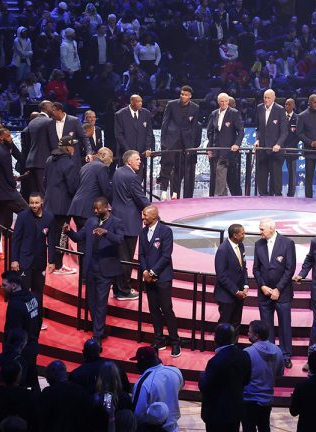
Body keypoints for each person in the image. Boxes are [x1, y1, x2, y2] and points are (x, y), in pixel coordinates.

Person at [63, 197, 125, 344]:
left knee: (101, 302)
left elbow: (119, 240)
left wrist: (105, 233)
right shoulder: (90, 221)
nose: (95, 211)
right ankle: (99, 329)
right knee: (91, 301)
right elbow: (78, 238)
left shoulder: (117, 222)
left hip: (106, 269)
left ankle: (97, 335)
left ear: (106, 207)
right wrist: (69, 231)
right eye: (94, 209)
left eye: (98, 208)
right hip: (91, 267)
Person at [252, 218, 296, 368]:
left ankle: (285, 356)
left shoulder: (287, 243)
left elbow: (290, 269)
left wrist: (278, 289)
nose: (260, 232)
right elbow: (256, 269)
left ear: (271, 229)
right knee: (266, 326)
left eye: (262, 229)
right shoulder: (258, 244)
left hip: (282, 294)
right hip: (264, 293)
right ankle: (269, 354)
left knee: (284, 326)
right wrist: (262, 286)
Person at [139, 205, 181, 356]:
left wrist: (152, 272)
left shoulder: (165, 231)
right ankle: (159, 339)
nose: (143, 218)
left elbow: (166, 255)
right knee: (154, 309)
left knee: (166, 309)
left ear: (154, 216)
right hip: (148, 278)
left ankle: (175, 341)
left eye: (145, 215)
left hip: (163, 277)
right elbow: (142, 254)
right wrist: (144, 271)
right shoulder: (143, 232)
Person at [10, 192, 56, 320]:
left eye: (36, 203)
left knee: (38, 292)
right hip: (24, 261)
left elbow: (51, 241)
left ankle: (37, 319)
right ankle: (22, 318)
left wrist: (51, 261)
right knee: (23, 292)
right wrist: (14, 259)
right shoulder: (22, 216)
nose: (34, 205)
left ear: (42, 202)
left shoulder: (49, 218)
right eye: (31, 203)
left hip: (40, 261)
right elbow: (16, 240)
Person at [113, 150, 151, 300]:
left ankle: (118, 288)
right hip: (129, 222)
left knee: (120, 256)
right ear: (129, 161)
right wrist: (152, 210)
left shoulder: (118, 172)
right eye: (137, 159)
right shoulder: (132, 177)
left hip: (117, 218)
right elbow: (140, 198)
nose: (140, 161)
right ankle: (124, 291)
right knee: (126, 258)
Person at [0, 128, 28, 260]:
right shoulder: (4, 152)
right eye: (9, 136)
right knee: (29, 212)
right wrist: (15, 183)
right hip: (5, 192)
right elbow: (8, 176)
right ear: (2, 138)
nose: (11, 138)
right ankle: (29, 246)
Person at [199, 323, 252, 432]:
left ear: (215, 339)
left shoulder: (215, 362)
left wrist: (202, 376)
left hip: (216, 415)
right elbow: (246, 380)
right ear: (234, 338)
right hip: (235, 411)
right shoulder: (244, 355)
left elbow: (205, 387)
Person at [1, 270, 42, 392]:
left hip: (21, 351)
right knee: (33, 378)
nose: (2, 287)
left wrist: (9, 351)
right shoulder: (33, 297)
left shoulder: (15, 305)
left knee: (21, 385)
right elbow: (39, 320)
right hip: (33, 344)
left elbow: (13, 331)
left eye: (4, 285)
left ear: (13, 285)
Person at [44, 136, 80, 275]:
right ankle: (58, 266)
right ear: (67, 148)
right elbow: (72, 188)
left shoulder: (49, 159)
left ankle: (52, 262)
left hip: (49, 204)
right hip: (63, 207)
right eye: (72, 146)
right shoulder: (70, 164)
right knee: (62, 236)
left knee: (51, 235)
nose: (74, 149)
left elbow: (45, 181)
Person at [158, 85, 201, 198]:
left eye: (186, 95)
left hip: (185, 142)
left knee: (179, 167)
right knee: (166, 165)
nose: (183, 96)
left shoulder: (195, 108)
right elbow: (165, 123)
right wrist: (163, 142)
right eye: (182, 94)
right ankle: (163, 191)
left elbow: (194, 128)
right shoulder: (171, 104)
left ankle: (175, 193)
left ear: (190, 96)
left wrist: (190, 146)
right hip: (171, 140)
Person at [242, 320, 284, 432]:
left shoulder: (247, 352)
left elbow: (242, 377)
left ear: (256, 336)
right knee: (264, 428)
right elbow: (279, 375)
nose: (248, 333)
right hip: (267, 400)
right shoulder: (278, 351)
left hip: (249, 399)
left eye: (250, 332)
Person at [131, 346, 184, 432]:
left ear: (142, 363)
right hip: (173, 428)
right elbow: (181, 386)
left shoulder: (144, 383)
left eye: (138, 361)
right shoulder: (175, 371)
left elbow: (137, 414)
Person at [207, 93, 245, 196]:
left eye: (225, 101)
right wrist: (210, 148)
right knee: (219, 176)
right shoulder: (214, 113)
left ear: (228, 102)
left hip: (230, 151)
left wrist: (237, 144)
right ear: (218, 102)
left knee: (231, 179)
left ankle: (234, 199)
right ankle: (221, 197)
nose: (223, 103)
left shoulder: (234, 113)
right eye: (221, 101)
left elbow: (241, 131)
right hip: (216, 150)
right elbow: (210, 132)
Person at [68, 147, 114, 232]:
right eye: (110, 157)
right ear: (103, 155)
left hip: (76, 207)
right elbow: (106, 190)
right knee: (89, 241)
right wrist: (114, 206)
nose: (111, 161)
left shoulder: (85, 166)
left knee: (81, 240)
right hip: (88, 210)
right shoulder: (102, 167)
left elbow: (76, 186)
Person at [214, 224, 249, 332]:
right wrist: (236, 291)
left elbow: (243, 268)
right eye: (242, 233)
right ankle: (221, 348)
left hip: (239, 295)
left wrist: (246, 285)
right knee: (224, 326)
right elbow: (222, 276)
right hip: (227, 296)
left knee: (236, 324)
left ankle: (233, 347)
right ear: (235, 235)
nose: (244, 235)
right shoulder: (223, 250)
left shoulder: (241, 245)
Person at [39, 360, 91, 432]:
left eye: (47, 373)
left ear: (54, 372)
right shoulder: (81, 390)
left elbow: (41, 417)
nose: (46, 378)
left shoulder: (48, 392)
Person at [254, 89, 288, 196]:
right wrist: (257, 139)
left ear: (274, 98)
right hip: (262, 149)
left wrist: (278, 144)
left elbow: (284, 132)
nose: (266, 100)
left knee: (276, 178)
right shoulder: (259, 108)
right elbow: (258, 128)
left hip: (275, 150)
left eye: (268, 97)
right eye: (265, 97)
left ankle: (276, 199)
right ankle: (263, 197)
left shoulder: (280, 110)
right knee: (262, 176)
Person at [21, 100, 55, 196]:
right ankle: (45, 211)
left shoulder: (32, 122)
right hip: (44, 161)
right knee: (44, 191)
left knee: (35, 192)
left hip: (32, 161)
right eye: (51, 106)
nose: (53, 108)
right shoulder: (49, 122)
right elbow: (53, 142)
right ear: (44, 108)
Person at [115, 94, 155, 177]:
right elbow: (119, 135)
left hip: (141, 153)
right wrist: (129, 152)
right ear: (131, 102)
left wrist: (148, 148)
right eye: (138, 101)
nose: (140, 103)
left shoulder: (146, 113)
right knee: (125, 178)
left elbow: (149, 132)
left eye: (141, 101)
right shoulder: (120, 114)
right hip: (126, 154)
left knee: (139, 178)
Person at [49, 102, 92, 168]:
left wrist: (89, 153)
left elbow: (84, 137)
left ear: (59, 111)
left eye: (53, 111)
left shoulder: (74, 121)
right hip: (56, 160)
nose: (51, 113)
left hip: (72, 159)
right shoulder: (50, 123)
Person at [283, 98, 300, 197]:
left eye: (289, 104)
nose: (287, 106)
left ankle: (291, 193)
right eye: (285, 104)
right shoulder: (281, 117)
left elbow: (298, 135)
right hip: (280, 148)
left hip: (292, 149)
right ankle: (276, 191)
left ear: (293, 106)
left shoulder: (298, 118)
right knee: (276, 170)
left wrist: (289, 146)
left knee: (292, 173)